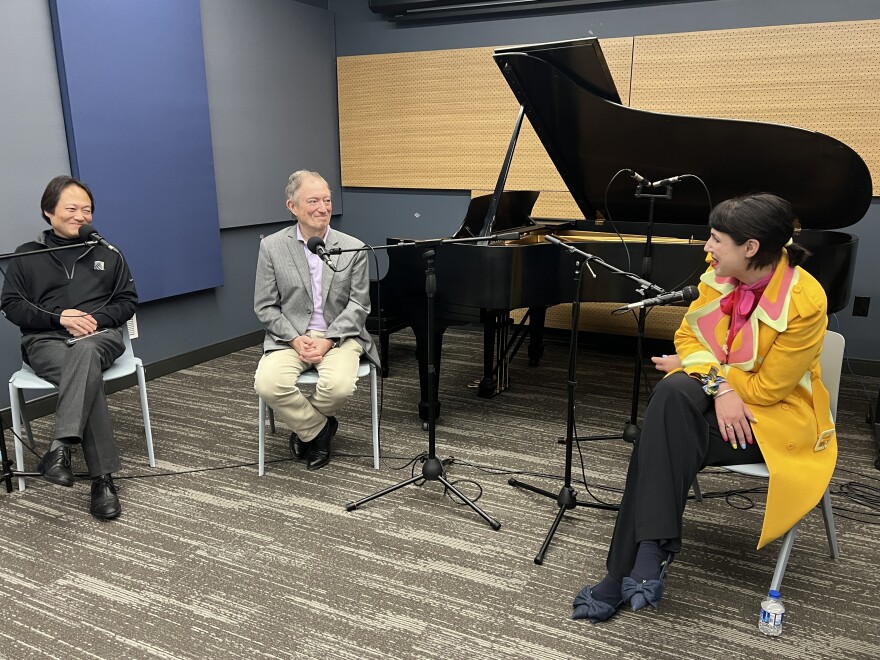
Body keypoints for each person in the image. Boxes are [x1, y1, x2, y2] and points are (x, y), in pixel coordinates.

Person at [573, 193, 837, 622]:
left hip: (772, 425)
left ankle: (628, 566)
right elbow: (687, 338)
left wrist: (703, 372)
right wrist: (721, 387)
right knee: (673, 397)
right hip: (725, 405)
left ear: (750, 248)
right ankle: (646, 556)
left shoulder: (807, 301)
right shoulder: (717, 278)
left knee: (666, 420)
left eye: (716, 240)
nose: (706, 249)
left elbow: (768, 389)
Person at [1, 175, 138, 519]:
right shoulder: (24, 256)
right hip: (45, 341)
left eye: (87, 209)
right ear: (49, 211)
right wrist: (60, 317)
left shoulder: (107, 252)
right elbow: (13, 306)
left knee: (86, 351)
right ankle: (102, 480)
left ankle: (60, 448)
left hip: (98, 336)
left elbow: (127, 301)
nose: (81, 215)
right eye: (72, 208)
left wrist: (94, 319)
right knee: (84, 370)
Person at [253, 170, 379, 471]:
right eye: (313, 201)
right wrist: (295, 339)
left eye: (327, 199)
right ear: (292, 206)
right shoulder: (272, 247)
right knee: (268, 384)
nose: (323, 208)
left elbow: (359, 305)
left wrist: (328, 340)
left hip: (340, 337)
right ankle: (319, 431)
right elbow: (265, 306)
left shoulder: (353, 247)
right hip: (289, 337)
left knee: (338, 387)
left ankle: (303, 429)